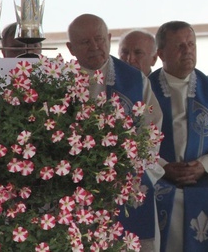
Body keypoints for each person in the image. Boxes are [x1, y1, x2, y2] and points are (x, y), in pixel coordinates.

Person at [66, 14, 163, 252]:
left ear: (109, 39)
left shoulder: (134, 80)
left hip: (125, 170)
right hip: (74, 176)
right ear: (70, 48)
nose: (95, 47)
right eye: (85, 42)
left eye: (99, 39)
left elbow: (151, 129)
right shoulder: (60, 80)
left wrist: (127, 163)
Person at [149, 21, 208, 252]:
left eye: (191, 44)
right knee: (148, 196)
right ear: (161, 53)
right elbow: (135, 140)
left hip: (207, 170)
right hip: (159, 173)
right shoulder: (146, 90)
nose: (188, 50)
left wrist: (203, 166)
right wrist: (163, 167)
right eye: (179, 46)